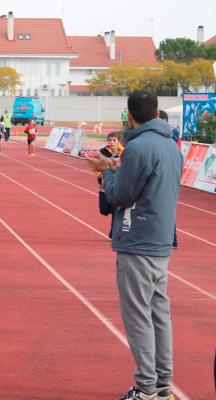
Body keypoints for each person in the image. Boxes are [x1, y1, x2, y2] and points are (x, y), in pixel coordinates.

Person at [86, 90, 182, 400]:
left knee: (138, 315)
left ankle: (145, 389)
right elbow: (144, 182)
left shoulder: (138, 147)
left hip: (137, 239)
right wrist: (114, 167)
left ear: (129, 116)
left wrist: (103, 174)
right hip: (160, 239)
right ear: (156, 111)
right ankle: (162, 384)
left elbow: (121, 196)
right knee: (158, 313)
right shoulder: (170, 145)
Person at [96, 131, 124, 238]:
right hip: (104, 186)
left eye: (114, 140)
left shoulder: (124, 152)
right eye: (109, 140)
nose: (111, 142)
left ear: (119, 141)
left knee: (115, 210)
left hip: (118, 186)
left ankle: (114, 232)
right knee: (104, 210)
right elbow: (98, 166)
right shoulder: (103, 151)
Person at [158, 110, 179, 249]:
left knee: (165, 208)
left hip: (167, 175)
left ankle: (172, 238)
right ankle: (170, 238)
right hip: (163, 174)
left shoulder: (170, 136)